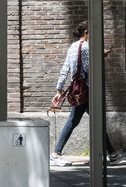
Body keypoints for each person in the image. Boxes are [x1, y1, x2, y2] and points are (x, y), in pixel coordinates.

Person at [50, 20, 120, 167]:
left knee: (95, 120)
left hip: (77, 90)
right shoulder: (87, 47)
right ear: (87, 32)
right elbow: (90, 68)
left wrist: (59, 90)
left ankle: (112, 153)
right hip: (86, 90)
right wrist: (102, 55)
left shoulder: (73, 47)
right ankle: (56, 153)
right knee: (73, 121)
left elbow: (65, 69)